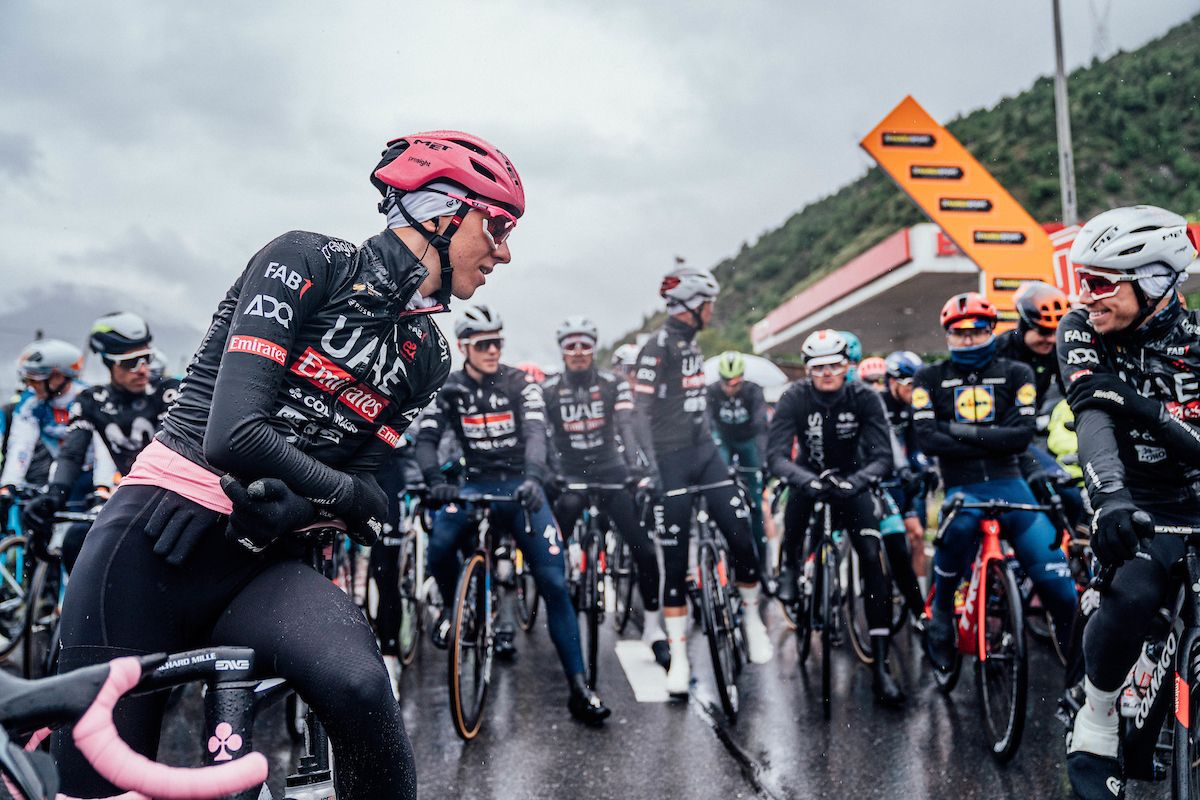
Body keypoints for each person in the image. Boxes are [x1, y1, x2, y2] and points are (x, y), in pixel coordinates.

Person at [53, 129, 526, 799]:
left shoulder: (429, 354)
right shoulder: (306, 259)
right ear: (442, 211)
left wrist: (311, 504)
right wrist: (339, 500)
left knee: (362, 687)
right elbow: (236, 436)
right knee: (102, 788)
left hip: (262, 560)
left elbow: (369, 484)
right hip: (155, 541)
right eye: (499, 225)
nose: (505, 252)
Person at [1058, 206, 1200, 799]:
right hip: (1139, 497)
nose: (1083, 296)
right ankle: (1096, 712)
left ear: (1157, 282)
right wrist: (1110, 498)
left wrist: (1140, 406)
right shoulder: (1080, 329)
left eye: (1098, 283)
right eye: (1077, 278)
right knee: (1135, 591)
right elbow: (1093, 417)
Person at [417, 304, 611, 724]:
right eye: (484, 344)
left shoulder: (520, 383)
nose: (493, 350)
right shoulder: (450, 388)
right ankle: (457, 610)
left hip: (521, 487)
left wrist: (535, 476)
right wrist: (435, 480)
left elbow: (537, 434)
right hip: (475, 485)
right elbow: (428, 439)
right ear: (465, 347)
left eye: (498, 342)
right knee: (439, 547)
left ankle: (579, 687)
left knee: (554, 583)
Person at [913, 292, 1077, 675]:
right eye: (959, 332)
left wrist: (954, 430)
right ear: (948, 335)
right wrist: (990, 434)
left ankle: (1080, 682)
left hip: (1011, 484)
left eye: (977, 331)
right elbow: (926, 439)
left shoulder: (1016, 373)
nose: (968, 339)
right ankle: (939, 616)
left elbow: (1020, 439)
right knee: (957, 533)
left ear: (992, 330)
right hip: (962, 490)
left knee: (1060, 590)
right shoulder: (929, 377)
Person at [633, 266, 772, 697]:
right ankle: (678, 655)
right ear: (692, 305)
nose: (712, 310)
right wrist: (649, 469)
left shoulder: (693, 345)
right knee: (673, 565)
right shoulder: (656, 348)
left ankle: (750, 618)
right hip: (670, 462)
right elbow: (637, 414)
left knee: (742, 534)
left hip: (704, 454)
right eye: (708, 303)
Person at [768, 329, 905, 705]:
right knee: (795, 512)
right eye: (818, 367)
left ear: (848, 366)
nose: (827, 373)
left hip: (851, 480)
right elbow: (775, 456)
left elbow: (882, 456)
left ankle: (880, 665)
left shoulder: (864, 397)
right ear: (807, 370)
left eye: (835, 366)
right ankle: (790, 570)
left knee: (873, 559)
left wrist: (856, 482)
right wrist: (806, 480)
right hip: (808, 476)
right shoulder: (794, 397)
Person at [542, 316, 667, 667]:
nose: (579, 352)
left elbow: (627, 426)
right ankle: (562, 576)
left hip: (612, 472)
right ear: (563, 351)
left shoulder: (614, 384)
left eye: (585, 345)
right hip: (570, 474)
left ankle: (653, 630)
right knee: (553, 541)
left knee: (643, 548)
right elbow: (545, 436)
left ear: (594, 349)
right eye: (571, 346)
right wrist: (549, 473)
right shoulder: (549, 389)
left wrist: (638, 468)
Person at [23, 313, 180, 571]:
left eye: (147, 358)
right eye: (130, 362)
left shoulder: (169, 392)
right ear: (108, 362)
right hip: (132, 499)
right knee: (75, 540)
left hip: (173, 500)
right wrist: (53, 496)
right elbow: (72, 455)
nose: (142, 368)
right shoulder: (91, 401)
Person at [996, 280, 1085, 526]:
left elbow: (1073, 391)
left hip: (1029, 434)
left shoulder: (1056, 351)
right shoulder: (1000, 351)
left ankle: (1073, 547)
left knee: (1068, 494)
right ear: (1025, 326)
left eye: (1055, 333)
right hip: (998, 436)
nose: (1050, 341)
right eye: (1044, 333)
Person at [1, 339, 89, 493]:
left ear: (58, 376)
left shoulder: (88, 399)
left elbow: (102, 451)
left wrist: (103, 487)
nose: (30, 386)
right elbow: (21, 444)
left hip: (90, 471)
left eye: (35, 380)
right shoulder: (31, 402)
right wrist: (9, 485)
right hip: (59, 473)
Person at [706, 351, 769, 557]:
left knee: (756, 506)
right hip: (723, 438)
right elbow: (708, 425)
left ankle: (762, 559)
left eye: (736, 383)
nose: (731, 388)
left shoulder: (753, 390)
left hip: (747, 439)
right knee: (719, 476)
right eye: (727, 383)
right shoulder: (712, 391)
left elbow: (760, 426)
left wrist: (763, 461)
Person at [883, 351, 930, 581]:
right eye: (910, 385)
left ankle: (919, 602)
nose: (915, 392)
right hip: (880, 480)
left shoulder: (913, 408)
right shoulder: (877, 403)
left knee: (917, 535)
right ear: (892, 382)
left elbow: (915, 449)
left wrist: (925, 470)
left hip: (902, 479)